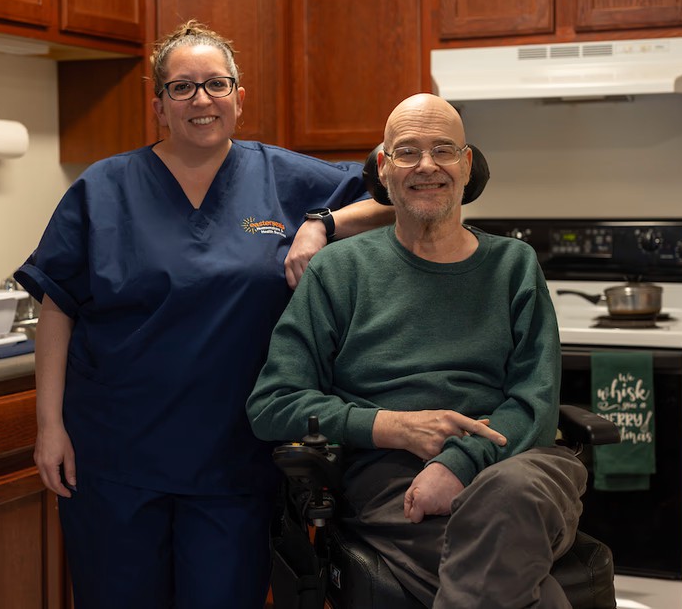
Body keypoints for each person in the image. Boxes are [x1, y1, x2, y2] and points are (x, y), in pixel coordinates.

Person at [14, 20, 393, 609]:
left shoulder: (283, 178)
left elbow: (394, 191)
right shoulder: (103, 187)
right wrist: (49, 427)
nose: (201, 100)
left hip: (233, 461)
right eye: (182, 87)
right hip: (114, 457)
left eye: (216, 85)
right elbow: (57, 305)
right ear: (159, 103)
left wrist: (322, 223)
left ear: (239, 98)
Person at [247, 93, 588, 608]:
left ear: (466, 165)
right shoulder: (340, 271)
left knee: (509, 496)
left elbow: (533, 404)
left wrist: (458, 464)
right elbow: (272, 405)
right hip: (391, 481)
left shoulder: (514, 266)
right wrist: (392, 426)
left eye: (444, 150)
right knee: (538, 594)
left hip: (516, 463)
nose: (426, 166)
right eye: (407, 152)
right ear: (383, 170)